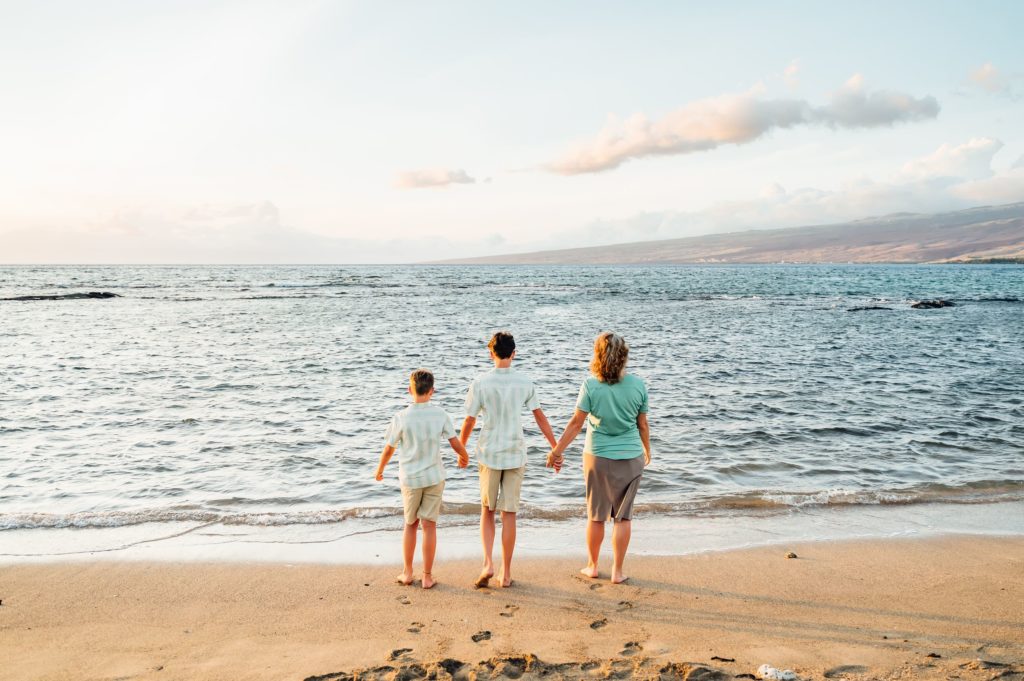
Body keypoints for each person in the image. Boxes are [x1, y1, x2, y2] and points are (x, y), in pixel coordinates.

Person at [547, 332, 650, 584]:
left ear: (598, 356)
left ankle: (592, 566)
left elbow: (575, 424)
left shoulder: (590, 385)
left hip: (597, 455)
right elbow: (643, 425)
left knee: (596, 515)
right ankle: (617, 571)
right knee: (623, 517)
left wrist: (557, 451)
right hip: (630, 456)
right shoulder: (637, 385)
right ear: (623, 355)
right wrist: (647, 451)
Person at [461, 331, 558, 588]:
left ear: (490, 353)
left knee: (487, 510)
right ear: (514, 353)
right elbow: (539, 417)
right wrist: (555, 446)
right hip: (515, 453)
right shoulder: (524, 382)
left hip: (489, 453)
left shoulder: (480, 382)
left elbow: (470, 419)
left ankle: (488, 563)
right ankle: (506, 573)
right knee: (510, 513)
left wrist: (460, 448)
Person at [375, 369, 469, 589]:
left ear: (410, 390)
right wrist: (464, 455)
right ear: (432, 391)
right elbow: (454, 442)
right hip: (434, 477)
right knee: (429, 526)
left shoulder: (401, 417)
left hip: (410, 479)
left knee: (410, 524)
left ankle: (407, 573)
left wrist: (380, 469)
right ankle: (427, 576)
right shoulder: (440, 414)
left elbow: (389, 448)